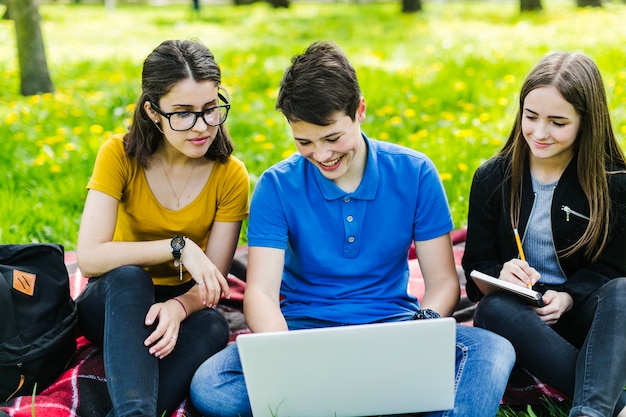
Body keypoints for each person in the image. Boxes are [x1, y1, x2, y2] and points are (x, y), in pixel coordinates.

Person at [190, 41, 515, 417]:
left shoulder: (415, 172)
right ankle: (380, 401)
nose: (322, 155)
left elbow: (443, 281)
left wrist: (419, 333)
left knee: (491, 350)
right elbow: (261, 293)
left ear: (359, 110)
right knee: (212, 385)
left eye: (332, 138)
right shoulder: (276, 186)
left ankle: (330, 402)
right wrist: (285, 360)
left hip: (394, 329)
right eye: (304, 142)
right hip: (303, 333)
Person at [75, 39, 249, 417]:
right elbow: (88, 258)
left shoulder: (231, 176)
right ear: (153, 112)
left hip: (179, 306)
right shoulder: (118, 155)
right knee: (130, 278)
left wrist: (177, 307)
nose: (202, 126)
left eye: (210, 109)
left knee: (214, 327)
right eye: (183, 113)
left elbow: (213, 282)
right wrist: (178, 246)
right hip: (113, 302)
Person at [462, 51, 626, 417]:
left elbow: (614, 268)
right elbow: (476, 266)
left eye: (557, 122)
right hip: (521, 320)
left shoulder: (614, 183)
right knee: (491, 307)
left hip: (591, 321)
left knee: (624, 292)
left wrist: (567, 297)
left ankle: (592, 411)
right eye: (531, 117)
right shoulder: (492, 178)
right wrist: (500, 274)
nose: (539, 132)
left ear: (587, 121)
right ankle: (615, 406)